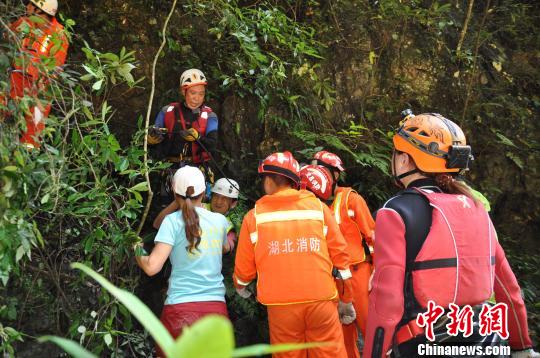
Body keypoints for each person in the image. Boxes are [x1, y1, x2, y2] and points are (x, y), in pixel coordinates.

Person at [363, 112, 539, 358]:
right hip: (489, 342)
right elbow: (508, 289)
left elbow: (387, 301)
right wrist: (522, 346)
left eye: (395, 153)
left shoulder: (396, 211)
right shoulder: (475, 206)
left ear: (404, 160)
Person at [233, 151, 356, 358]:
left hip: (282, 308)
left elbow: (244, 269)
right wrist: (347, 298)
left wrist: (241, 286)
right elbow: (342, 260)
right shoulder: (318, 208)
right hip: (322, 301)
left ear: (270, 181)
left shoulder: (254, 217)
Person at [135, 166, 231, 357]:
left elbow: (151, 267)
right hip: (216, 312)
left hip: (181, 311)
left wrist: (136, 247)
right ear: (204, 192)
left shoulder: (171, 222)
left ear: (174, 193)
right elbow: (222, 247)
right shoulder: (220, 222)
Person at [313, 150, 375, 357]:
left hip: (359, 275)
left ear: (335, 175)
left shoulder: (351, 200)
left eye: (322, 170)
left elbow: (372, 237)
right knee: (342, 339)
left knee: (371, 331)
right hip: (331, 281)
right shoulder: (312, 205)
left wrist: (379, 271)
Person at [1, 0, 69, 149]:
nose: (27, 7)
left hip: (40, 87)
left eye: (32, 5)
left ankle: (26, 157)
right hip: (16, 76)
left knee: (35, 126)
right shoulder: (24, 23)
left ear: (42, 11)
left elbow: (54, 70)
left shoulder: (59, 35)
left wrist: (37, 92)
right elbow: (6, 42)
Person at [147, 68, 218, 198]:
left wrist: (198, 137)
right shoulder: (167, 112)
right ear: (183, 91)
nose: (196, 98)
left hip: (198, 170)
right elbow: (153, 138)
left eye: (201, 94)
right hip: (171, 169)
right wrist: (150, 141)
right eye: (192, 93)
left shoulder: (210, 116)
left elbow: (213, 145)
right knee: (167, 206)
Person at [154, 177, 240, 251]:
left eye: (225, 199)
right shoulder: (197, 205)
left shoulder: (230, 226)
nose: (218, 202)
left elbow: (226, 249)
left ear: (233, 203)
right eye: (216, 196)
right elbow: (157, 224)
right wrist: (178, 202)